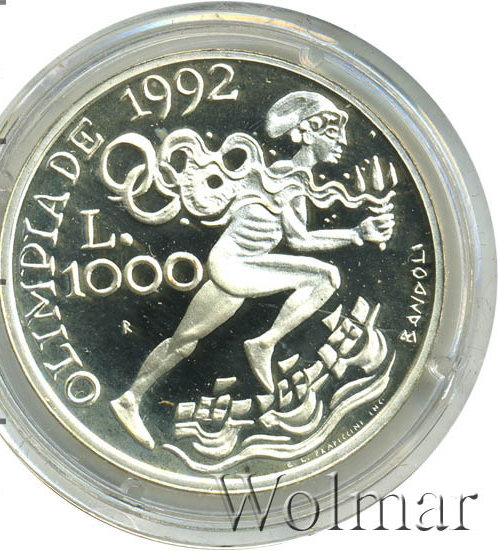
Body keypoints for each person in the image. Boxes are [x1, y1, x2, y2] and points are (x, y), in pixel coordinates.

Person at [110, 91, 394, 449]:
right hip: (236, 265)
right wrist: (356, 234)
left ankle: (129, 399)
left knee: (183, 342)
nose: (343, 143)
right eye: (333, 134)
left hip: (233, 268)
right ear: (308, 133)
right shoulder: (289, 178)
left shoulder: (291, 178)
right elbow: (300, 240)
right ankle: (265, 343)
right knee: (325, 277)